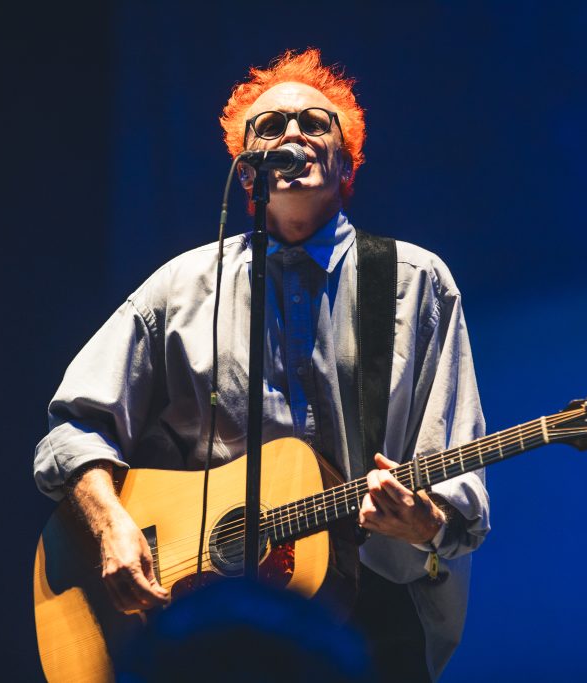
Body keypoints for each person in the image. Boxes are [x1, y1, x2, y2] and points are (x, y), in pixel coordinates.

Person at [34, 48, 490, 682]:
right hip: (206, 624)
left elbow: (455, 479)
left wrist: (428, 522)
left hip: (371, 615)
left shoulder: (415, 283)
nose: (293, 135)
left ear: (347, 161)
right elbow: (73, 428)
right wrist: (111, 524)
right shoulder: (182, 287)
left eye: (315, 123)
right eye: (270, 128)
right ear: (247, 173)